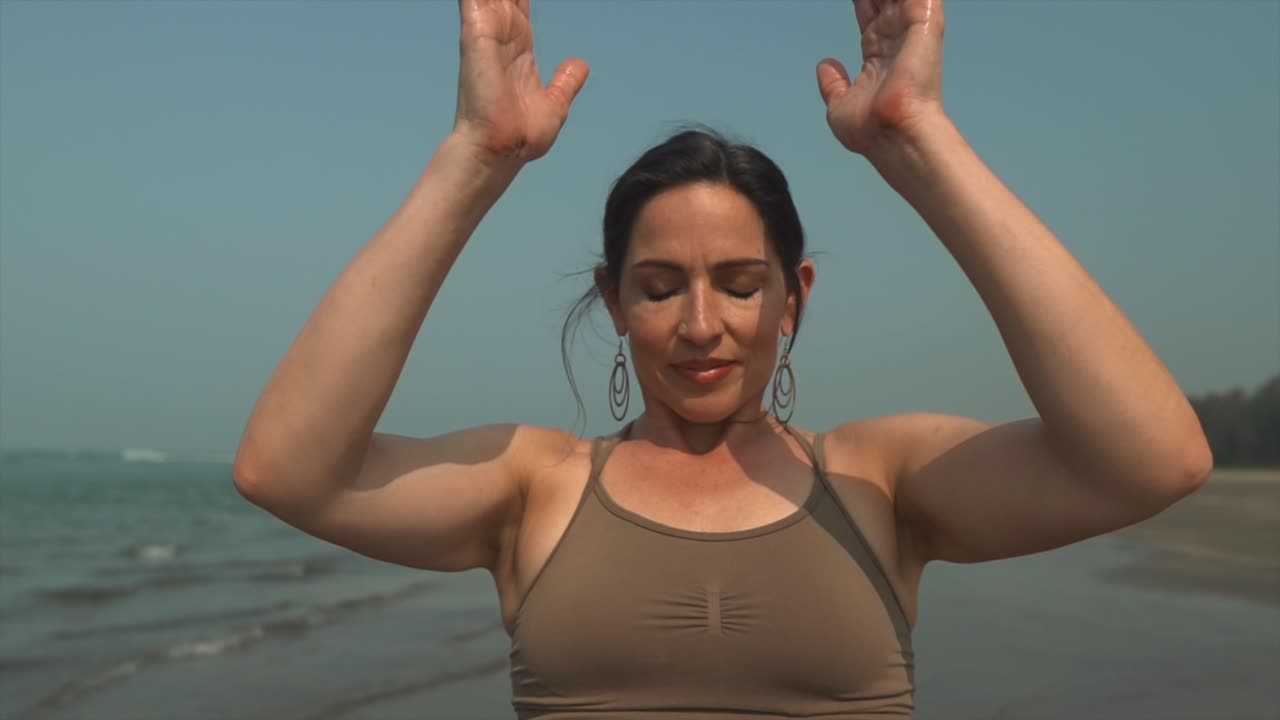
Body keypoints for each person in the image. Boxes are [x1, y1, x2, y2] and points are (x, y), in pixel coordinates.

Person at [231, 0, 1213, 717]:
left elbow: (1150, 460)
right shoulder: (535, 486)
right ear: (613, 302)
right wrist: (476, 159)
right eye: (658, 287)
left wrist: (921, 143)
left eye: (741, 283)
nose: (702, 324)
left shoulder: (879, 479)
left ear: (795, 298)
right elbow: (287, 470)